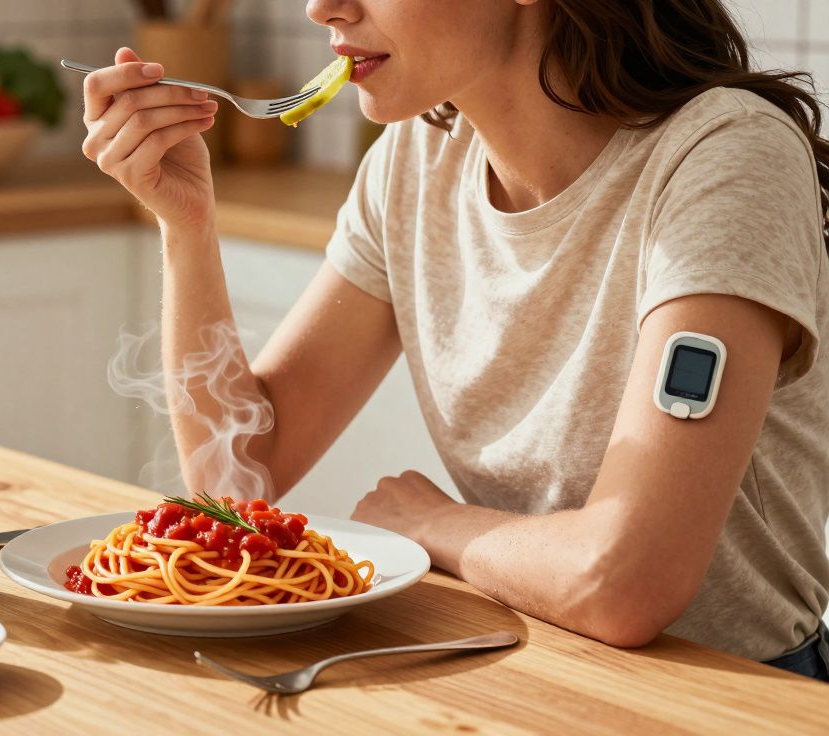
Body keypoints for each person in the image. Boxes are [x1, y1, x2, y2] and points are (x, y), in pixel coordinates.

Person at [78, 0, 829, 679]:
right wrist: (186, 225)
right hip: (520, 658)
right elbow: (238, 481)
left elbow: (625, 583)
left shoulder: (726, 158)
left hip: (734, 690)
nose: (321, 9)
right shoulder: (414, 163)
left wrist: (430, 523)